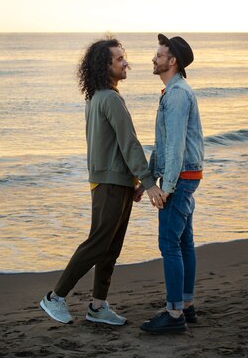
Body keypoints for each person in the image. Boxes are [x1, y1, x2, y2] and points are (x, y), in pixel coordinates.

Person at [39, 37, 166, 326]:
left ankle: (98, 306)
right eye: (119, 59)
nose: (126, 63)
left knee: (111, 248)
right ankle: (55, 297)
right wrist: (148, 182)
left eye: (124, 57)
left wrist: (133, 181)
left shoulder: (98, 96)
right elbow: (129, 143)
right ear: (104, 65)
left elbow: (118, 145)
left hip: (114, 182)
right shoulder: (109, 98)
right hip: (110, 183)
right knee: (98, 243)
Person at [140, 34, 204, 334]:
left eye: (159, 54)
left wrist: (166, 186)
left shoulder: (177, 94)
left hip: (179, 179)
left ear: (172, 60)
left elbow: (175, 145)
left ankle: (174, 313)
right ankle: (186, 306)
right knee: (183, 243)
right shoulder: (174, 91)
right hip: (186, 176)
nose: (154, 59)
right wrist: (148, 180)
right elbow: (162, 143)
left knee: (169, 245)